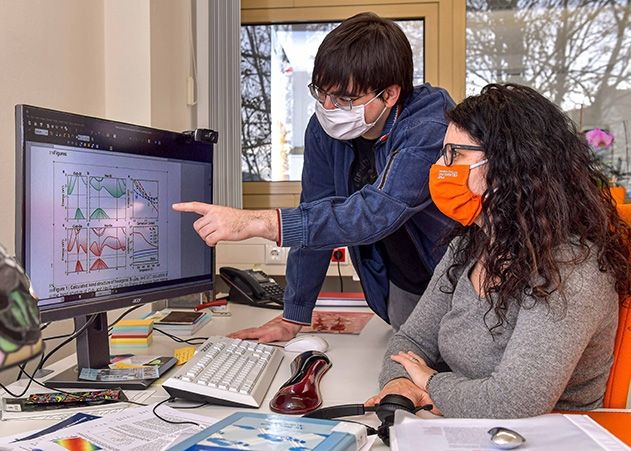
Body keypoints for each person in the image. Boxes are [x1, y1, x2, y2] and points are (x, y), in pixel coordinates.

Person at [173, 12, 455, 342]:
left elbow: (378, 212)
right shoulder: (323, 131)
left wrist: (259, 222)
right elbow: (315, 213)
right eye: (321, 91)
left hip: (455, 282)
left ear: (389, 95)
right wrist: (293, 315)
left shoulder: (429, 126)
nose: (328, 106)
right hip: (401, 286)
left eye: (345, 99)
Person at [365, 83, 631, 418]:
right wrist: (400, 384)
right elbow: (413, 340)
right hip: (465, 428)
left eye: (455, 154)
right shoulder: (470, 244)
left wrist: (431, 384)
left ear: (509, 165)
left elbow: (512, 402)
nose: (440, 166)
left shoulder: (572, 270)